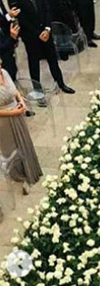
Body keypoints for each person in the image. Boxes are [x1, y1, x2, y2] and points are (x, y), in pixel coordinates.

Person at [7, 0, 74, 93]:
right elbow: (21, 19)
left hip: (46, 31)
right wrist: (38, 33)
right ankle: (38, 91)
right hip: (31, 35)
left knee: (53, 59)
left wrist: (47, 28)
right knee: (34, 63)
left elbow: (46, 7)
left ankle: (61, 83)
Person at [0, 61, 42, 193]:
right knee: (11, 149)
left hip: (17, 114)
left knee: (23, 142)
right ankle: (18, 176)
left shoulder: (4, 73)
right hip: (4, 121)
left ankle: (29, 170)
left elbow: (15, 91)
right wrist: (13, 112)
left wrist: (22, 102)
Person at [0, 0, 20, 81]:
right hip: (2, 48)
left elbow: (3, 18)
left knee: (12, 70)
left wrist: (14, 39)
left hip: (7, 42)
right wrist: (8, 16)